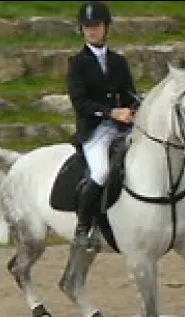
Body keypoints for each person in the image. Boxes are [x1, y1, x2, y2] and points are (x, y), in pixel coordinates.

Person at [67, 1, 137, 250]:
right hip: (94, 130)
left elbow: (129, 94)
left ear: (106, 27)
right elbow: (80, 102)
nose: (91, 31)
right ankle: (83, 228)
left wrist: (136, 109)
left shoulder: (119, 61)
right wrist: (111, 112)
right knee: (101, 172)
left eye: (96, 26)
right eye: (87, 26)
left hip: (121, 128)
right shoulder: (77, 63)